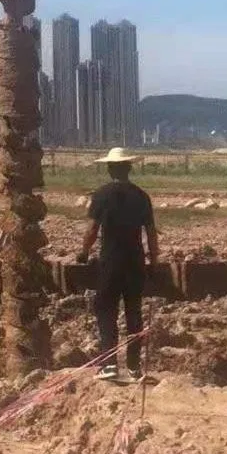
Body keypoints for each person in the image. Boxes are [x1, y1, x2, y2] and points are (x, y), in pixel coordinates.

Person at [78, 146, 158, 382]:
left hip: (110, 262)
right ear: (129, 168)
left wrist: (83, 252)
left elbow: (92, 229)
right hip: (135, 262)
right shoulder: (142, 196)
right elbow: (151, 234)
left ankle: (109, 363)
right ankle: (134, 367)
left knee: (106, 311)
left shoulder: (102, 195)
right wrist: (154, 262)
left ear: (110, 169)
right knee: (134, 313)